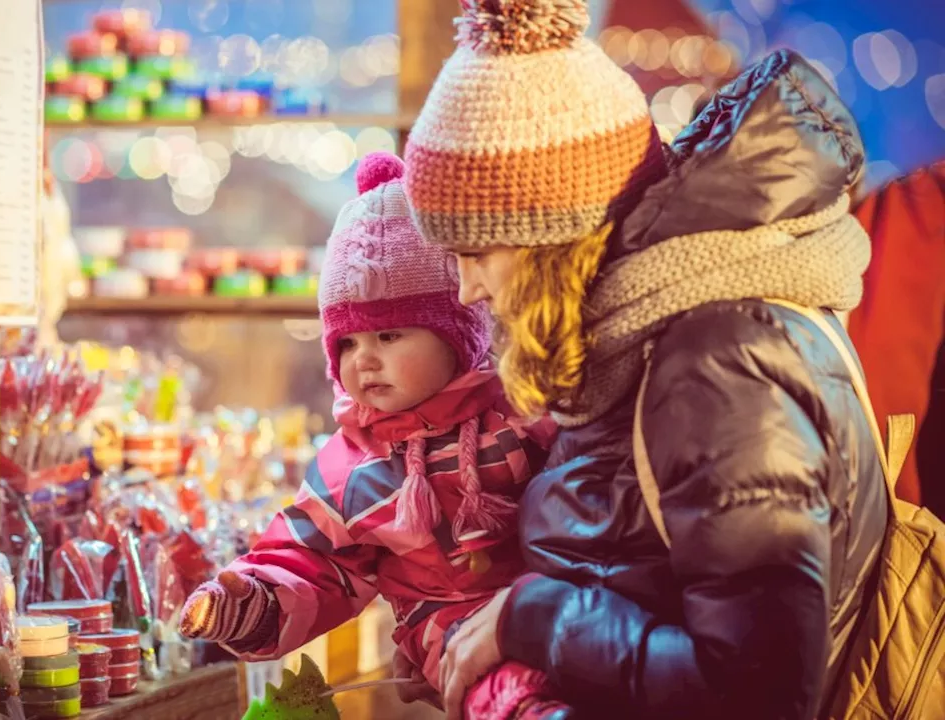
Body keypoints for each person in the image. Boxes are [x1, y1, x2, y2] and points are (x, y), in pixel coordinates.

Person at [399, 2, 888, 719]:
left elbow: (757, 692)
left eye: (477, 253)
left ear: (556, 240)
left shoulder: (720, 366)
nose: (469, 288)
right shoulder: (635, 335)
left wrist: (529, 620)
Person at [177, 152, 566, 718]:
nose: (365, 361)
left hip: (545, 609)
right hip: (447, 635)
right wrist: (247, 601)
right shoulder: (351, 468)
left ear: (457, 335)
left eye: (388, 336)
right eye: (349, 345)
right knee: (510, 698)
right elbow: (312, 560)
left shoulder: (522, 412)